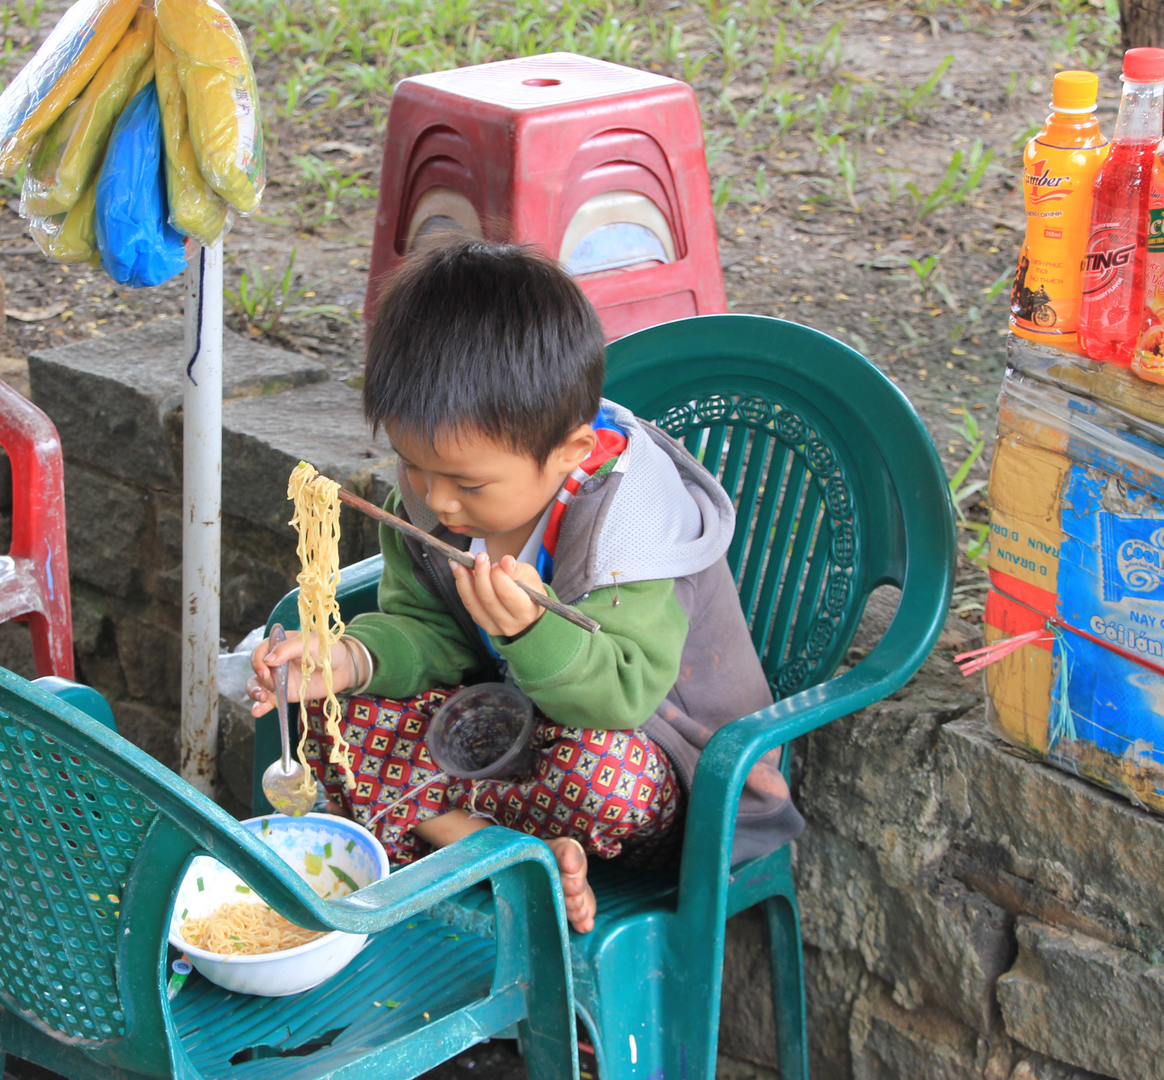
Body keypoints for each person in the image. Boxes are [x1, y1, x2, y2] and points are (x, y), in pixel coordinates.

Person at [249, 238, 803, 933]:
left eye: (468, 484)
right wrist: (349, 659)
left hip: (671, 770)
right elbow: (427, 634)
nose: (437, 501)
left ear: (569, 452)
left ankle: (460, 833)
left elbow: (623, 696)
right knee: (333, 717)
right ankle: (508, 851)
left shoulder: (627, 532)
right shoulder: (429, 504)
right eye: (412, 464)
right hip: (507, 729)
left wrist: (529, 633)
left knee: (601, 774)